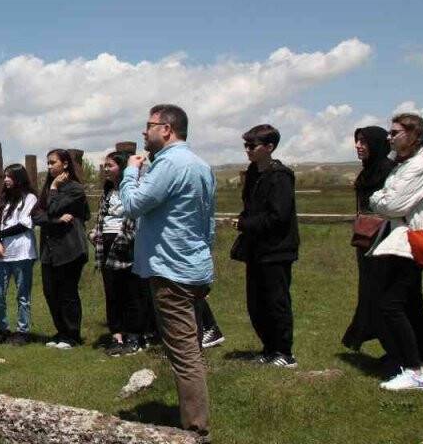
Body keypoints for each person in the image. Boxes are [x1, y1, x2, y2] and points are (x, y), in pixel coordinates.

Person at [118, 104, 215, 437]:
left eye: (149, 126)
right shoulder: (201, 165)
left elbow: (132, 205)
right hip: (195, 265)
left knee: (184, 353)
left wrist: (130, 172)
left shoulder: (170, 164)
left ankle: (195, 429)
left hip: (171, 271)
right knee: (193, 348)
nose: (144, 132)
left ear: (167, 129)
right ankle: (196, 415)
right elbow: (208, 220)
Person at [369, 113, 423, 391]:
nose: (390, 137)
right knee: (412, 307)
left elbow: (391, 204)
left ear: (414, 136)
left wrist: (378, 199)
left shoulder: (420, 166)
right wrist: (382, 199)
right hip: (402, 241)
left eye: (396, 132)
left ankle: (413, 370)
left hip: (408, 242)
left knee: (392, 304)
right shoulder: (405, 165)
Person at [231, 124, 300, 368]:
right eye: (246, 145)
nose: (248, 150)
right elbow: (251, 206)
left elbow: (279, 216)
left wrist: (245, 223)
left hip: (277, 249)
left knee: (276, 301)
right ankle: (269, 348)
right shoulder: (253, 172)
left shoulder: (280, 176)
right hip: (256, 248)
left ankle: (284, 352)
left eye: (252, 146)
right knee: (256, 303)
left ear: (269, 147)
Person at [342, 125, 394, 353]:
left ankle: (396, 351)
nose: (358, 146)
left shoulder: (389, 170)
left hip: (386, 240)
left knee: (385, 295)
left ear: (377, 144)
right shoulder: (367, 172)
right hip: (365, 240)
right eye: (357, 141)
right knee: (370, 292)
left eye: (364, 142)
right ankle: (388, 347)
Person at [93, 151, 146, 356]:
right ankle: (117, 334)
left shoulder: (133, 188)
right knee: (112, 291)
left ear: (122, 167)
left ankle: (134, 334)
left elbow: (135, 215)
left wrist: (123, 238)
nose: (106, 169)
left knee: (131, 290)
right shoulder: (107, 191)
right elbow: (102, 216)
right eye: (105, 165)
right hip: (106, 242)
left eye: (110, 165)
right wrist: (96, 232)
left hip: (126, 241)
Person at [36, 149, 90, 349]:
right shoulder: (48, 188)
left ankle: (72, 335)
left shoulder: (75, 188)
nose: (49, 167)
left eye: (53, 163)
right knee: (50, 291)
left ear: (65, 164)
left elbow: (50, 209)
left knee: (67, 292)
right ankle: (61, 331)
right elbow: (36, 215)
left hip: (70, 248)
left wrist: (55, 189)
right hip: (49, 250)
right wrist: (57, 220)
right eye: (48, 163)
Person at [0, 164, 39, 346]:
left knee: (22, 295)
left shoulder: (30, 198)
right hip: (2, 254)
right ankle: (2, 329)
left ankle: (22, 331)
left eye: (10, 176)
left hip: (22, 252)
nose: (6, 180)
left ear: (19, 178)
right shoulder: (4, 199)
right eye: (5, 176)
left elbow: (25, 224)